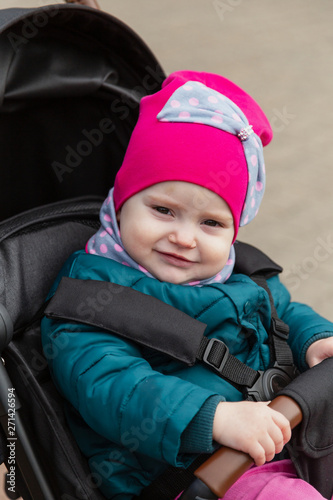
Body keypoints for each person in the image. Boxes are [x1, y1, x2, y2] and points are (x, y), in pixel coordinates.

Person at [41, 71, 333, 500]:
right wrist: (212, 417)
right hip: (188, 475)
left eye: (211, 223)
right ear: (121, 201)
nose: (184, 237)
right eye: (163, 210)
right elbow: (117, 388)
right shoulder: (87, 304)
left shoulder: (236, 272)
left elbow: (282, 311)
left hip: (283, 439)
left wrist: (314, 338)